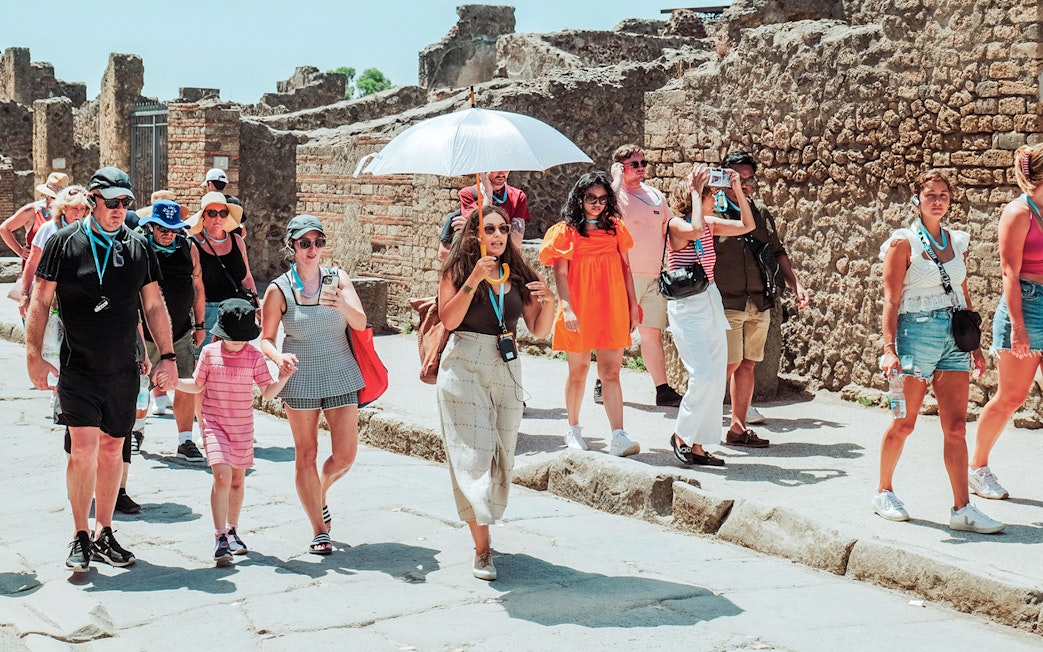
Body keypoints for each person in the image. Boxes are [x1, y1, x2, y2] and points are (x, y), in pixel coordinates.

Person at [25, 166, 179, 572]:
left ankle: (104, 531)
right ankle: (79, 534)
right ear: (92, 200)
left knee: (113, 450)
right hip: (79, 367)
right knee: (83, 451)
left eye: (125, 203)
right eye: (111, 202)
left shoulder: (138, 246)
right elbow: (40, 301)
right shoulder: (63, 243)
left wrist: (167, 355)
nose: (118, 210)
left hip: (123, 368)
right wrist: (33, 356)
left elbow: (153, 304)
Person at [874, 169, 1003, 534]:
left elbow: (963, 293)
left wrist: (973, 345)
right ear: (917, 200)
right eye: (930, 194)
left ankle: (963, 508)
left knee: (957, 427)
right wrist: (889, 349)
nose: (938, 200)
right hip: (913, 337)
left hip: (952, 340)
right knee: (903, 420)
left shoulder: (957, 241)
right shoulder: (903, 242)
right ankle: (883, 491)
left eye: (943, 194)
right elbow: (891, 298)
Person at [437, 204, 554, 580]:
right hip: (464, 363)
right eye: (489, 229)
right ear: (475, 235)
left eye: (503, 228)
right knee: (473, 454)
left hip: (506, 366)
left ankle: (486, 519)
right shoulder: (457, 271)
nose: (499, 235)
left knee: (502, 455)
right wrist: (474, 277)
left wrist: (550, 303)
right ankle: (482, 550)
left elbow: (538, 329)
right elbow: (449, 319)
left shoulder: (518, 273)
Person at [260, 215, 367, 555]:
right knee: (306, 454)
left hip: (340, 372)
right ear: (292, 246)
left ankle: (318, 492)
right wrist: (278, 360)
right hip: (300, 377)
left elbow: (362, 322)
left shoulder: (338, 279)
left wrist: (343, 304)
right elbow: (265, 339)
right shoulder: (279, 289)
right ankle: (319, 529)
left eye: (318, 242)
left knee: (346, 456)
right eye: (304, 243)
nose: (312, 249)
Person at [169, 299, 294, 566]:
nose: (236, 343)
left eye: (240, 339)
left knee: (237, 481)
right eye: (231, 338)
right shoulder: (210, 353)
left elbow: (267, 391)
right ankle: (219, 536)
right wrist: (176, 382)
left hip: (242, 427)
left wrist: (284, 376)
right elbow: (198, 385)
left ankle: (233, 529)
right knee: (223, 477)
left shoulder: (253, 356)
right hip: (215, 426)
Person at [539, 171, 640, 456]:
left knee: (611, 371)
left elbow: (627, 269)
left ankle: (618, 436)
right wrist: (567, 307)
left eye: (602, 198)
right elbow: (560, 272)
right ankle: (572, 428)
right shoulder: (566, 231)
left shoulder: (616, 228)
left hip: (613, 304)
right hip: (579, 306)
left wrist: (633, 306)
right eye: (590, 198)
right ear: (579, 199)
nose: (597, 204)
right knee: (579, 371)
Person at [713, 150, 810, 446]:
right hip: (726, 301)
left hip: (759, 299)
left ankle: (737, 429)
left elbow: (777, 251)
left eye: (749, 179)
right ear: (723, 179)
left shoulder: (760, 211)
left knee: (748, 364)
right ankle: (694, 430)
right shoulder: (711, 212)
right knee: (724, 366)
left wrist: (796, 284)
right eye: (737, 178)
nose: (745, 184)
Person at [666, 166, 755, 467]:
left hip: (710, 299)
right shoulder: (677, 225)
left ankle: (699, 445)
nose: (716, 197)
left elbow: (746, 224)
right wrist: (694, 189)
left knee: (716, 376)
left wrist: (737, 188)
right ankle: (681, 436)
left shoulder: (710, 225)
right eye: (711, 194)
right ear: (695, 197)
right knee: (702, 375)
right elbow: (692, 231)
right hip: (687, 305)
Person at [969, 144, 1043, 500]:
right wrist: (1018, 327)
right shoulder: (1019, 213)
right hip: (1025, 308)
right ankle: (977, 468)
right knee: (1011, 397)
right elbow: (1009, 272)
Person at [607, 144, 684, 408]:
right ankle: (603, 381)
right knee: (617, 334)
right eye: (634, 165)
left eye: (643, 164)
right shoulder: (615, 194)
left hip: (653, 275)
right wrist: (615, 180)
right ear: (620, 167)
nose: (641, 169)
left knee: (652, 334)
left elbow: (670, 231)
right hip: (622, 275)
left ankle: (662, 390)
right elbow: (605, 210)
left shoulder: (655, 196)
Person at [137, 200, 207, 462]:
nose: (168, 234)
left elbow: (198, 286)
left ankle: (185, 440)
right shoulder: (140, 248)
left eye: (173, 229)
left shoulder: (188, 247)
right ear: (152, 226)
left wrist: (200, 325)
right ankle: (136, 430)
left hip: (179, 330)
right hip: (144, 333)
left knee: (186, 383)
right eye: (163, 228)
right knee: (140, 384)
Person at [188, 191, 254, 360]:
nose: (218, 218)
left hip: (236, 311)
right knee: (204, 367)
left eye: (223, 213)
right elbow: (196, 286)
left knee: (234, 364)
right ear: (203, 216)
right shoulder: (193, 243)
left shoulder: (237, 241)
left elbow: (246, 277)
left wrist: (256, 306)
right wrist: (199, 324)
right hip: (208, 312)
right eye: (212, 213)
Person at [20, 185, 91, 317]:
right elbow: (32, 263)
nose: (79, 213)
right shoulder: (48, 229)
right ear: (63, 208)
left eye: (83, 208)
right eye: (74, 208)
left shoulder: (88, 230)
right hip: (49, 297)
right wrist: (24, 294)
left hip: (80, 298)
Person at [439, 171, 530, 259]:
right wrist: (488, 194)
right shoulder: (468, 194)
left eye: (505, 167)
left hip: (504, 265)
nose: (502, 172)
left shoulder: (518, 196)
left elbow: (516, 243)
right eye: (496, 167)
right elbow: (483, 233)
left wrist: (471, 228)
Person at [1, 171, 69, 261]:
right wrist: (20, 251)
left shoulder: (70, 212)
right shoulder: (32, 211)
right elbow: (4, 229)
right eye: (53, 197)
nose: (55, 200)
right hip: (34, 267)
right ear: (47, 194)